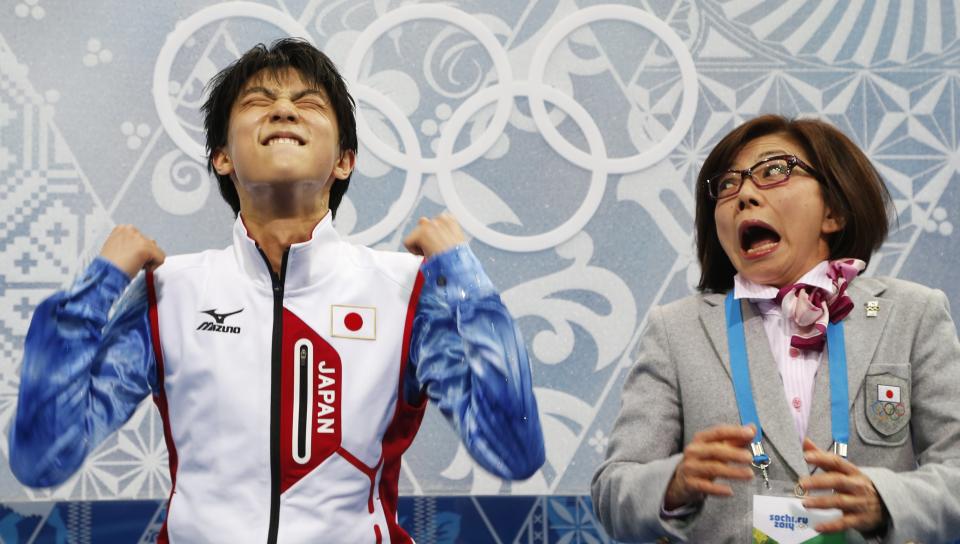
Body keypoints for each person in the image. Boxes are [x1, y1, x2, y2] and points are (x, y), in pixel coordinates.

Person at [9, 38, 544, 543]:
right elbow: (42, 456)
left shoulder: (407, 292)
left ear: (344, 160)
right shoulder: (168, 293)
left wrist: (466, 282)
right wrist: (99, 284)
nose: (283, 110)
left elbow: (514, 450)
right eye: (259, 101)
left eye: (307, 103)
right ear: (222, 157)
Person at [592, 114, 960, 543]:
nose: (744, 194)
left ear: (834, 211)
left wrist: (885, 499)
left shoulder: (912, 314)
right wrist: (673, 484)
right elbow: (612, 489)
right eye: (727, 186)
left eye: (773, 172)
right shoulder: (676, 330)